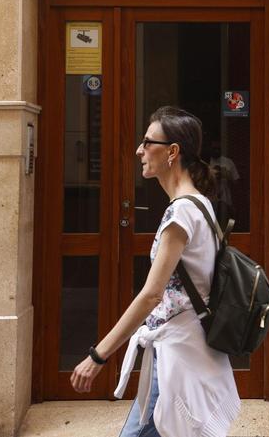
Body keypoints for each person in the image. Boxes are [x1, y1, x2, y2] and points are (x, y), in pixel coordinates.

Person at [70, 106, 239, 437]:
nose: (139, 150)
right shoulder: (199, 204)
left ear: (172, 152)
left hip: (178, 353)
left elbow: (151, 295)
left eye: (148, 142)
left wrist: (98, 355)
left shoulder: (181, 213)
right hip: (182, 350)